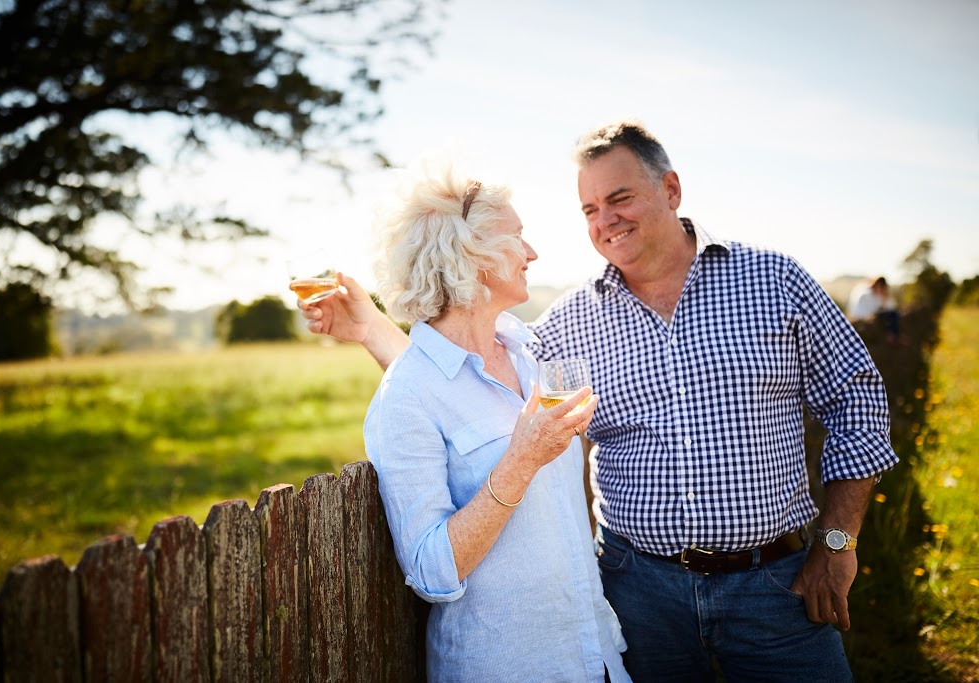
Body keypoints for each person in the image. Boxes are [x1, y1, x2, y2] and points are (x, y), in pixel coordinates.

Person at [300, 120, 898, 681]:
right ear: (472, 256)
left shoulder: (767, 284)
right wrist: (372, 331)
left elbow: (858, 400)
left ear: (670, 189)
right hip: (629, 601)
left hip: (765, 589)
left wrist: (838, 542)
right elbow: (446, 384)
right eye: (588, 209)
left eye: (620, 199)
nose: (599, 223)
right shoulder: (563, 328)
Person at [346, 161, 630, 682]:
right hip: (505, 666)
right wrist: (522, 458)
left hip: (596, 656)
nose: (532, 252)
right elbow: (431, 571)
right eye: (518, 236)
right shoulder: (405, 396)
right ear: (472, 257)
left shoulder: (528, 352)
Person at [848, 275, 902, 343]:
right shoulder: (867, 293)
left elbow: (891, 305)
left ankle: (893, 335)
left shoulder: (868, 291)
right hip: (862, 315)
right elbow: (876, 309)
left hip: (861, 314)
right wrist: (884, 301)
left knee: (892, 314)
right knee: (892, 314)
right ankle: (892, 336)